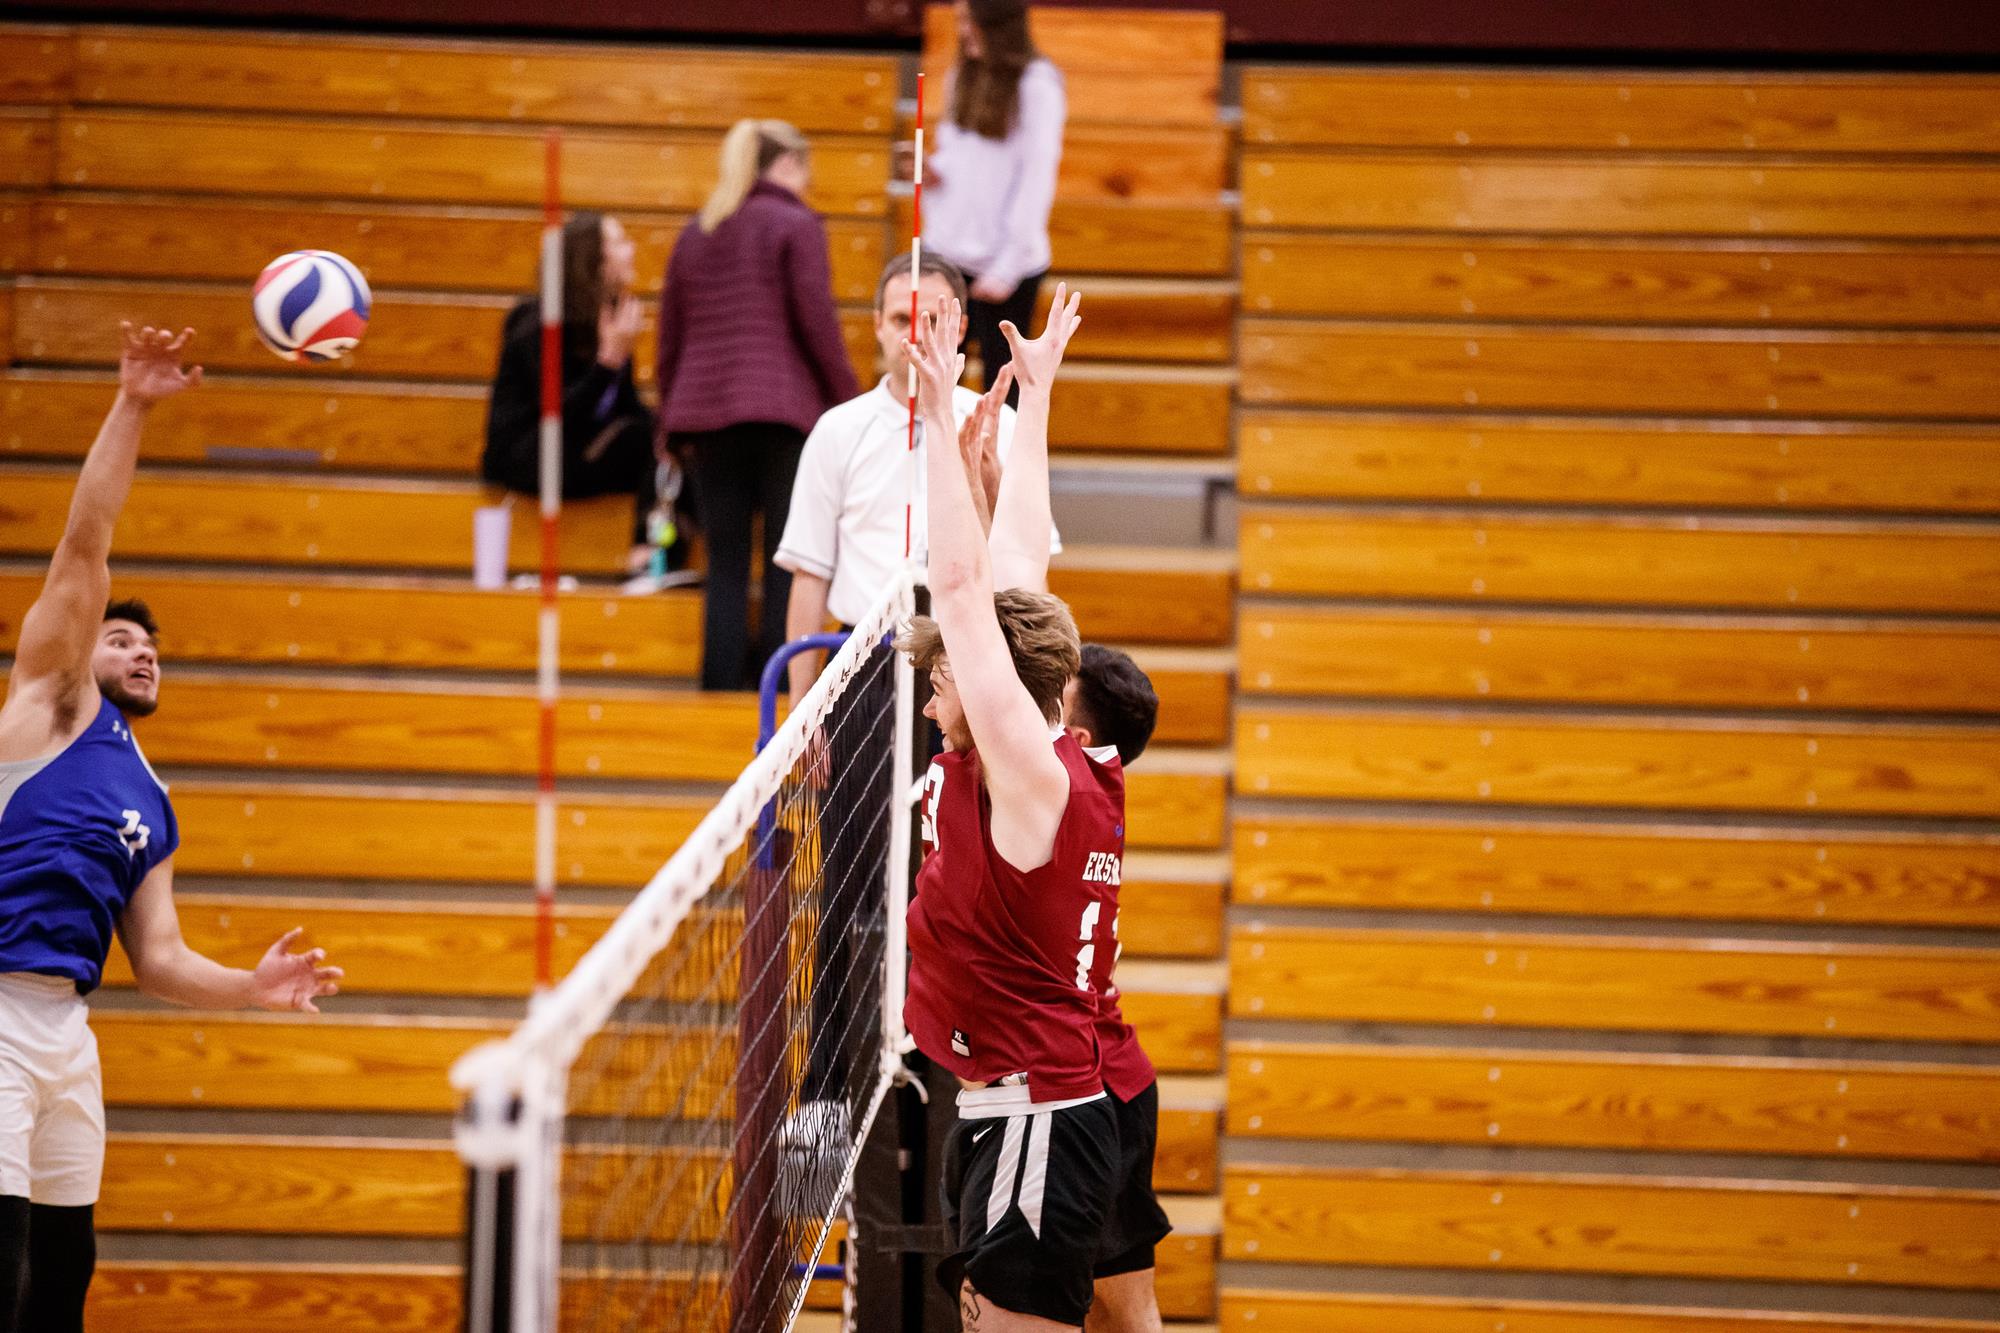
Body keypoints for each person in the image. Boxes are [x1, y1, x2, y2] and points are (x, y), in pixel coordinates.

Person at [0, 326, 343, 1332]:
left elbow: (155, 955)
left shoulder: (148, 795)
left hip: (67, 1029)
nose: (141, 652)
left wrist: (251, 985)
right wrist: (135, 404)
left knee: (64, 1275)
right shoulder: (48, 705)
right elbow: (83, 546)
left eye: (151, 646)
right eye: (120, 637)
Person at [898, 289, 1118, 1331]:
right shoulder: (1043, 746)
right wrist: (1031, 400)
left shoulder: (1030, 774)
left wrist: (939, 417)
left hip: (1037, 1119)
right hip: (1013, 1111)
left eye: (946, 675)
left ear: (997, 689)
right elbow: (1021, 564)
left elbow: (962, 584)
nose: (936, 686)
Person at [657, 118, 861, 689]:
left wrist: (668, 423)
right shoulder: (796, 226)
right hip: (782, 418)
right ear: (789, 164)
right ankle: (770, 695)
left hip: (706, 420)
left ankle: (718, 686)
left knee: (723, 562)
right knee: (784, 559)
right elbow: (817, 326)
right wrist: (853, 405)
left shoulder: (696, 232)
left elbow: (669, 336)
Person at [1063, 647, 1168, 1333]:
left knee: (1124, 1314)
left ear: (1075, 739)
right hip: (1100, 1079)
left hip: (1102, 1085)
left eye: (1053, 693)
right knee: (1104, 1312)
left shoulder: (1065, 798)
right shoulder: (1089, 791)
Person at [481, 210, 660, 574]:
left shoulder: (606, 318)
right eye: (621, 242)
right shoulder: (537, 321)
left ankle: (659, 552)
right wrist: (608, 362)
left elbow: (624, 409)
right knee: (647, 438)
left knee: (671, 438)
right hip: (531, 459)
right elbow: (556, 418)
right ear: (593, 257)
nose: (632, 250)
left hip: (578, 453)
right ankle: (642, 554)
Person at [922, 0, 1067, 404]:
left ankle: (998, 470)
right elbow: (958, 161)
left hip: (1006, 268)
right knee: (937, 387)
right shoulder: (961, 77)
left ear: (999, 25)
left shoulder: (1036, 85)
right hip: (949, 255)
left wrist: (1006, 267)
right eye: (961, 22)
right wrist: (931, 174)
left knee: (1002, 396)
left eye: (971, 22)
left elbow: (1036, 180)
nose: (964, 31)